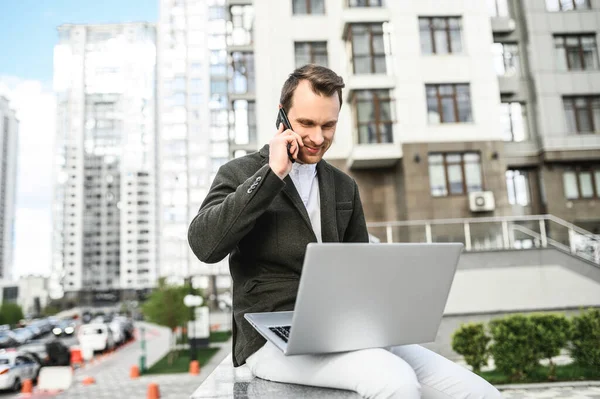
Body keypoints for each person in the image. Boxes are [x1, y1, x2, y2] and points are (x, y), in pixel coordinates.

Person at [188, 65, 502, 399]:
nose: (319, 138)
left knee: (478, 392)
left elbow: (359, 269)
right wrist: (273, 174)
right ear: (282, 117)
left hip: (344, 329)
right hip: (271, 340)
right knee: (393, 380)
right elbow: (205, 246)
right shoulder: (241, 173)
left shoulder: (343, 186)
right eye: (307, 124)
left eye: (329, 125)